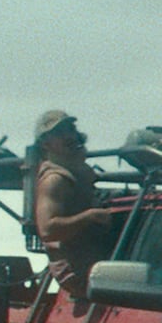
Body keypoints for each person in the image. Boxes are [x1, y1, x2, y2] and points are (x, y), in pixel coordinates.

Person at [30, 109, 120, 297]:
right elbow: (48, 230)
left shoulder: (77, 170)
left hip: (95, 262)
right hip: (77, 271)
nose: (69, 136)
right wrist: (91, 216)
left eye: (70, 130)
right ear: (46, 143)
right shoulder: (55, 179)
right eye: (60, 133)